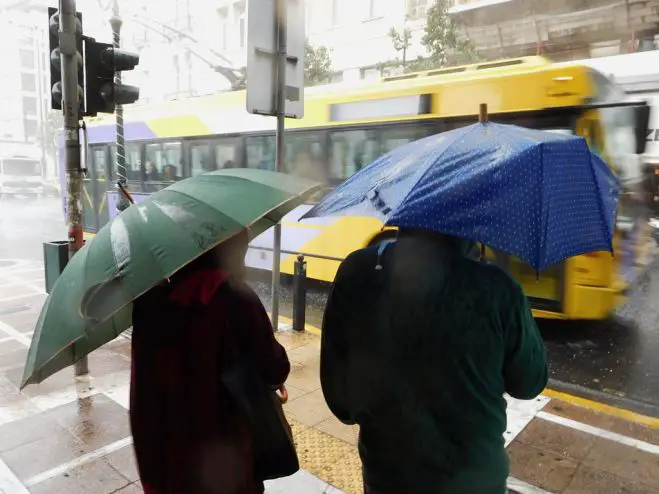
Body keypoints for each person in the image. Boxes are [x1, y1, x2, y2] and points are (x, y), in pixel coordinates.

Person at [320, 228, 548, 494]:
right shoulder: (498, 288)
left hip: (389, 476)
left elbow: (341, 400)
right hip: (476, 480)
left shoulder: (358, 271)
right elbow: (529, 383)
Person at [130, 229, 291, 494]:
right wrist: (275, 383)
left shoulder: (150, 301)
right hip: (224, 459)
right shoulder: (235, 297)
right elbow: (274, 366)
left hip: (166, 454)